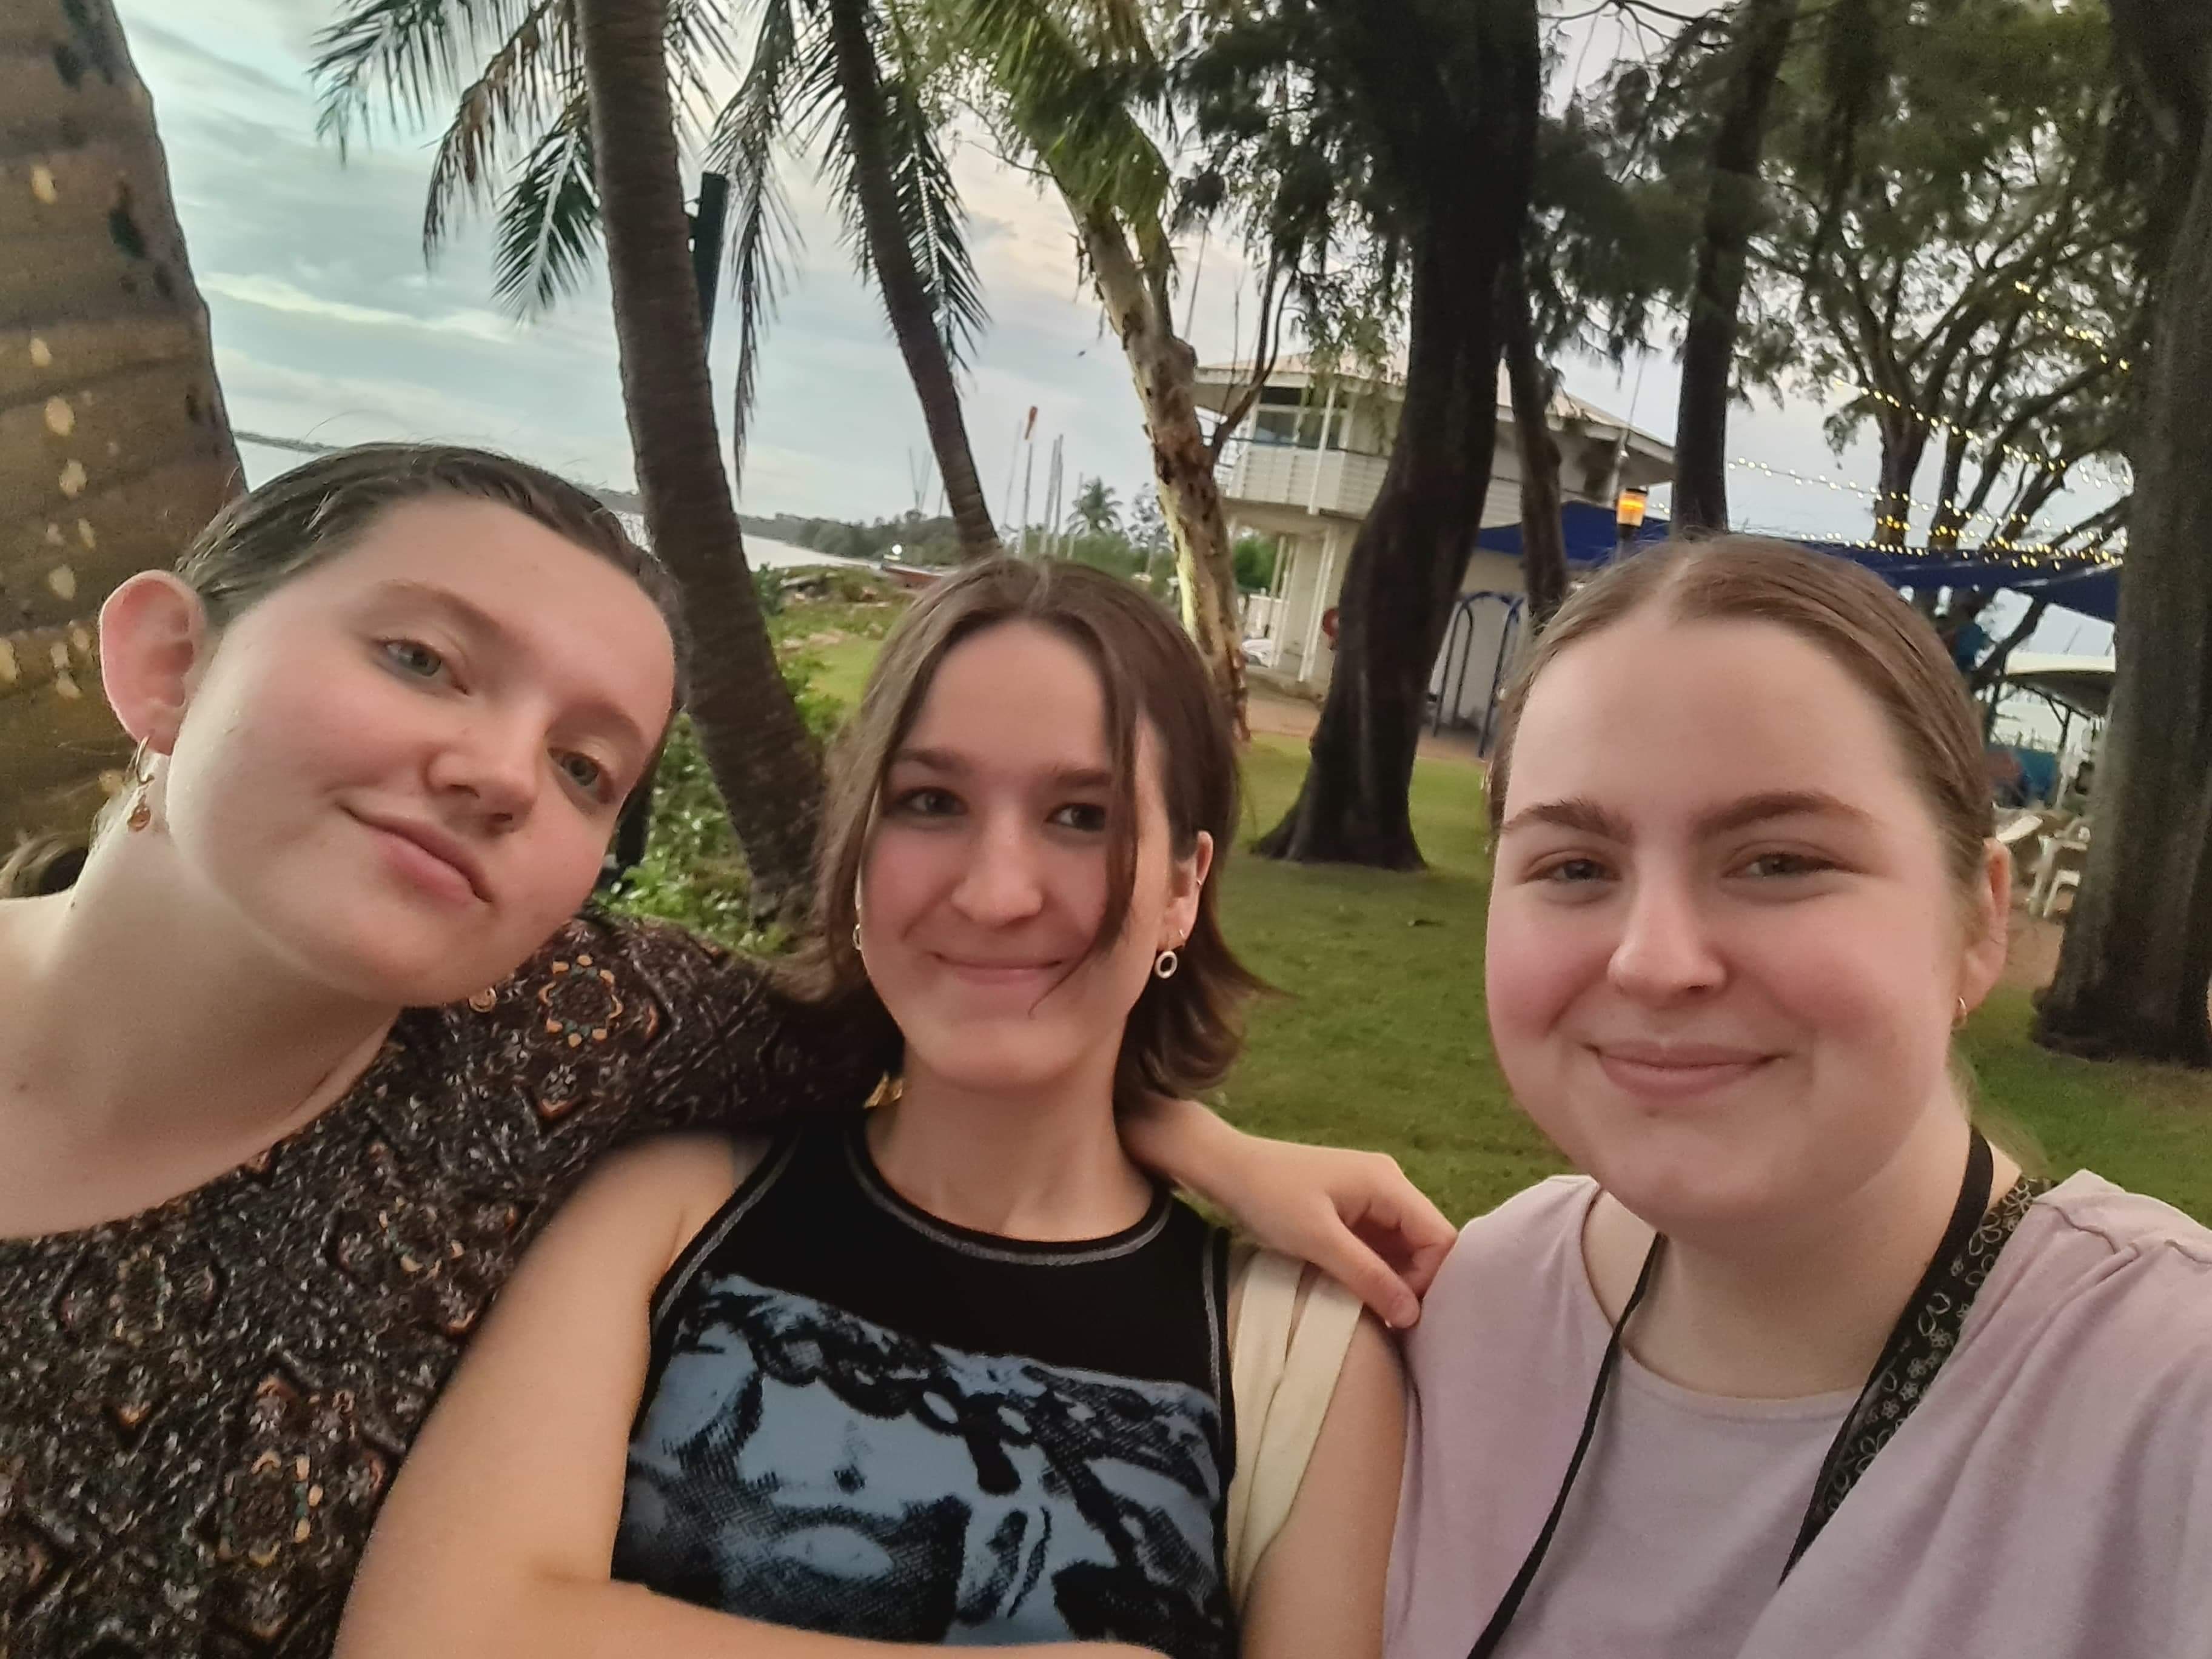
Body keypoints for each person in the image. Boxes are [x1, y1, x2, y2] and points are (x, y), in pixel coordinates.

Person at [0, 447, 1452, 1658]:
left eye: (585, 768)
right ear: (167, 661)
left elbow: (976, 1046)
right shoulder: (654, 1173)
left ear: (1186, 882)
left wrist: (1198, 1143)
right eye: (420, 658)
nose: (501, 775)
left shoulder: (1301, 1355)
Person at [334, 558, 1406, 1658]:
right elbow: (432, 1631)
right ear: (856, 857)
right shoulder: (672, 1213)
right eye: (930, 803)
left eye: (1081, 816)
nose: (996, 892)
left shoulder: (1299, 1355)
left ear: (1184, 883)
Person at [1389, 537, 2212, 1659]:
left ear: (1978, 921)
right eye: (1575, 867)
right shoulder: (1476, 1310)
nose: (1654, 961)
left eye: (1778, 861)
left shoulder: (2170, 1404)